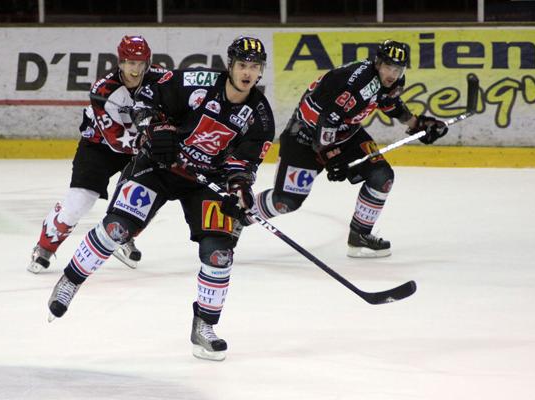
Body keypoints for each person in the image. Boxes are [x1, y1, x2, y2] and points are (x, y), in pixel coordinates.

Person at [45, 36, 275, 362]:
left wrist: (237, 186)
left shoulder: (260, 116)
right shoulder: (198, 81)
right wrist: (156, 127)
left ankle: (205, 327)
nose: (247, 72)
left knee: (220, 252)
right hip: (159, 166)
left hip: (203, 183)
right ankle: (69, 280)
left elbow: (245, 162)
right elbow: (148, 97)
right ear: (230, 65)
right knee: (116, 229)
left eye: (254, 67)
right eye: (242, 65)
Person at [247, 39, 448, 258]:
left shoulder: (390, 82)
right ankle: (239, 215)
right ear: (378, 63)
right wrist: (331, 156)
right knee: (285, 201)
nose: (393, 73)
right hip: (304, 137)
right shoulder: (359, 82)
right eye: (389, 67)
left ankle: (360, 235)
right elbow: (328, 119)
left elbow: (389, 103)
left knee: (382, 176)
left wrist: (416, 124)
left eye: (398, 69)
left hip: (345, 134)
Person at [28, 35, 167, 273]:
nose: (135, 69)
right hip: (98, 147)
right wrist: (153, 144)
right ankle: (45, 246)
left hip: (141, 145)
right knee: (80, 201)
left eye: (140, 63)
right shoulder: (103, 89)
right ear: (120, 62)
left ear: (147, 62)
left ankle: (122, 235)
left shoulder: (162, 79)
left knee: (146, 195)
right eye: (130, 62)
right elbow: (115, 139)